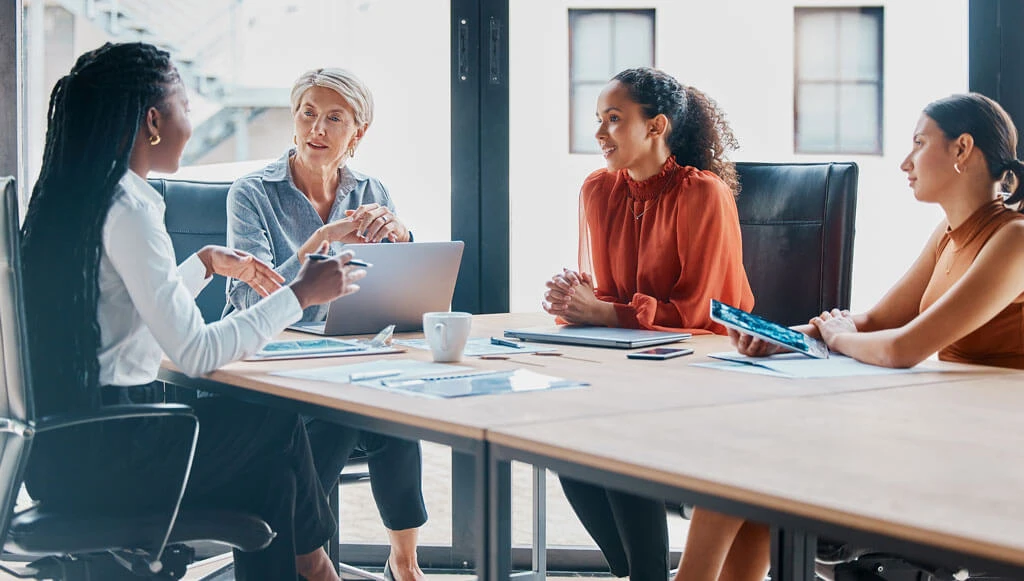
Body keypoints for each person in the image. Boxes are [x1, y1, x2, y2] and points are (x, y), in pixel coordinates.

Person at [19, 42, 367, 581]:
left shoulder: (87, 198)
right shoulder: (129, 208)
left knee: (272, 481)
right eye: (184, 105)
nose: (191, 119)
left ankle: (315, 566)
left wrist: (203, 264)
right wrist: (299, 292)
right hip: (116, 454)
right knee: (270, 414)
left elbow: (128, 318)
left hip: (65, 453)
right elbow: (195, 352)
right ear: (153, 122)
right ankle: (318, 568)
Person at [699, 93, 1024, 581]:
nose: (905, 162)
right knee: (751, 457)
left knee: (761, 454)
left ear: (962, 150)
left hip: (987, 452)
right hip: (947, 426)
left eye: (919, 143)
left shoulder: (1013, 239)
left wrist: (840, 336)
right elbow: (875, 322)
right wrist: (784, 337)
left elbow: (902, 347)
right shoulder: (949, 234)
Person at [541, 67, 755, 581]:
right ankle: (637, 575)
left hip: (708, 374)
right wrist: (575, 297)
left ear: (656, 126)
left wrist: (604, 311)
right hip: (635, 370)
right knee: (563, 443)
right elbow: (609, 298)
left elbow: (705, 312)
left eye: (614, 120)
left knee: (615, 439)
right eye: (598, 119)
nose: (599, 134)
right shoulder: (598, 191)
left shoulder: (703, 194)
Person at [225, 67, 427, 581]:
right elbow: (251, 295)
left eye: (334, 118)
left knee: (393, 412)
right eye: (307, 113)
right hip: (267, 366)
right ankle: (307, 560)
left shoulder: (372, 189)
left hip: (342, 354)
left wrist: (401, 240)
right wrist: (317, 247)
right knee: (338, 415)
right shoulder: (252, 192)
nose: (316, 127)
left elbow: (396, 290)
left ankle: (404, 564)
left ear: (357, 133)